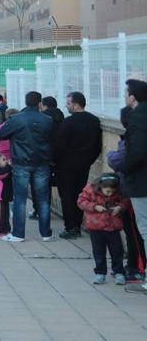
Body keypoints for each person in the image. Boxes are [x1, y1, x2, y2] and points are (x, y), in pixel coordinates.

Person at [0, 91, 56, 242]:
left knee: (20, 199)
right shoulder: (47, 119)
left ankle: (18, 233)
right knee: (43, 199)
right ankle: (46, 233)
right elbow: (52, 138)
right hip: (42, 162)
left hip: (21, 162)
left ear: (25, 101)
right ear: (39, 103)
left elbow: (1, 134)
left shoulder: (17, 119)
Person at [55, 91, 104, 239]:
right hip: (84, 164)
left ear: (76, 104)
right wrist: (88, 160)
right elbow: (97, 146)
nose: (66, 105)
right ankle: (77, 223)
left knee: (67, 195)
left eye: (68, 103)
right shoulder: (94, 121)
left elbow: (60, 145)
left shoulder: (68, 122)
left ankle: (71, 227)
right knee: (79, 194)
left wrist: (56, 161)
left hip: (66, 165)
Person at [108, 106, 147, 285]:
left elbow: (119, 161)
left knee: (135, 232)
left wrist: (110, 155)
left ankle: (137, 268)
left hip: (133, 190)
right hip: (133, 189)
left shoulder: (132, 141)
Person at [78, 173, 131, 285]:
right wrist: (94, 206)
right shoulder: (90, 190)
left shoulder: (119, 191)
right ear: (100, 186)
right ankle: (100, 273)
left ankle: (118, 272)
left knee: (117, 251)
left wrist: (120, 207)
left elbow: (125, 201)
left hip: (113, 227)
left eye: (112, 191)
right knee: (98, 251)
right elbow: (81, 202)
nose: (109, 193)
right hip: (96, 226)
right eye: (107, 191)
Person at [122, 78, 147, 294]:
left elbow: (138, 152)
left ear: (132, 96)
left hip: (142, 182)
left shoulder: (137, 117)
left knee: (145, 228)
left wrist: (124, 167)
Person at [0, 154, 14, 237]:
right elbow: (3, 173)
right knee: (0, 215)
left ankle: (6, 230)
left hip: (5, 197)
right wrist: (10, 166)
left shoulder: (6, 169)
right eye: (4, 160)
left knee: (6, 214)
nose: (6, 161)